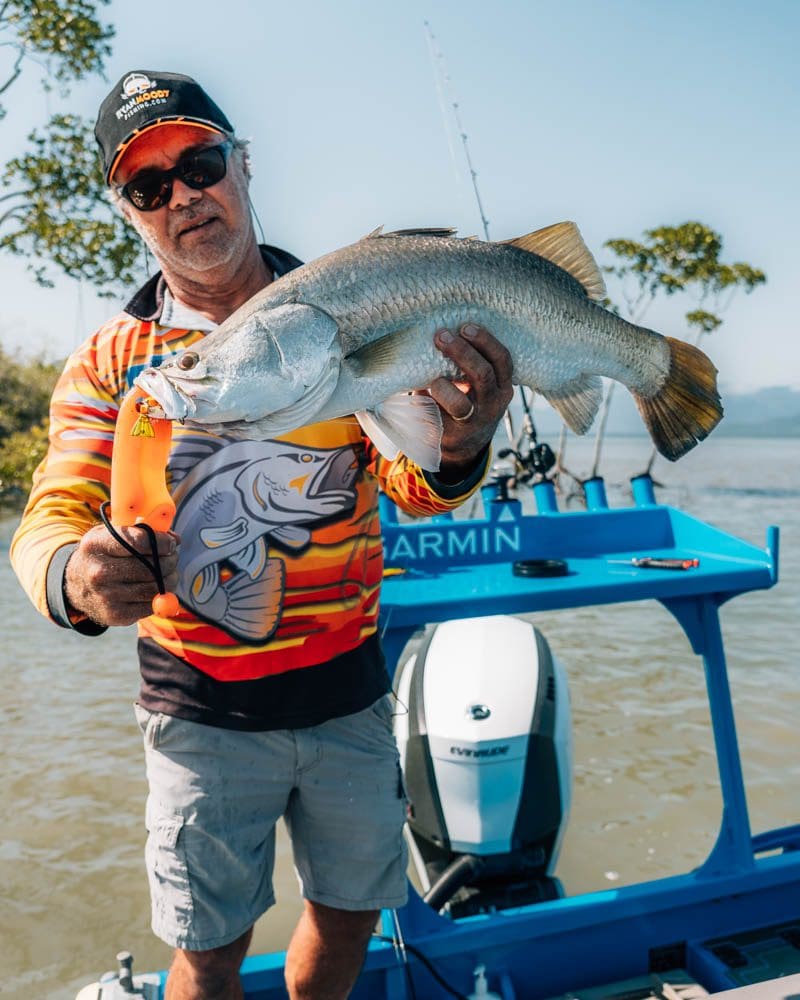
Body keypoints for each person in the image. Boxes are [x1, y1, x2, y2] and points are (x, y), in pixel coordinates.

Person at [11, 70, 513, 1000]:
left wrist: (462, 439)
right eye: (149, 185)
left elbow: (411, 481)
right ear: (130, 214)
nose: (183, 194)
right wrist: (75, 579)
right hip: (200, 711)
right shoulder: (111, 363)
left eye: (199, 162)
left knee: (350, 914)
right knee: (209, 950)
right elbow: (50, 515)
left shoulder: (347, 306)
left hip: (350, 692)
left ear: (243, 166)